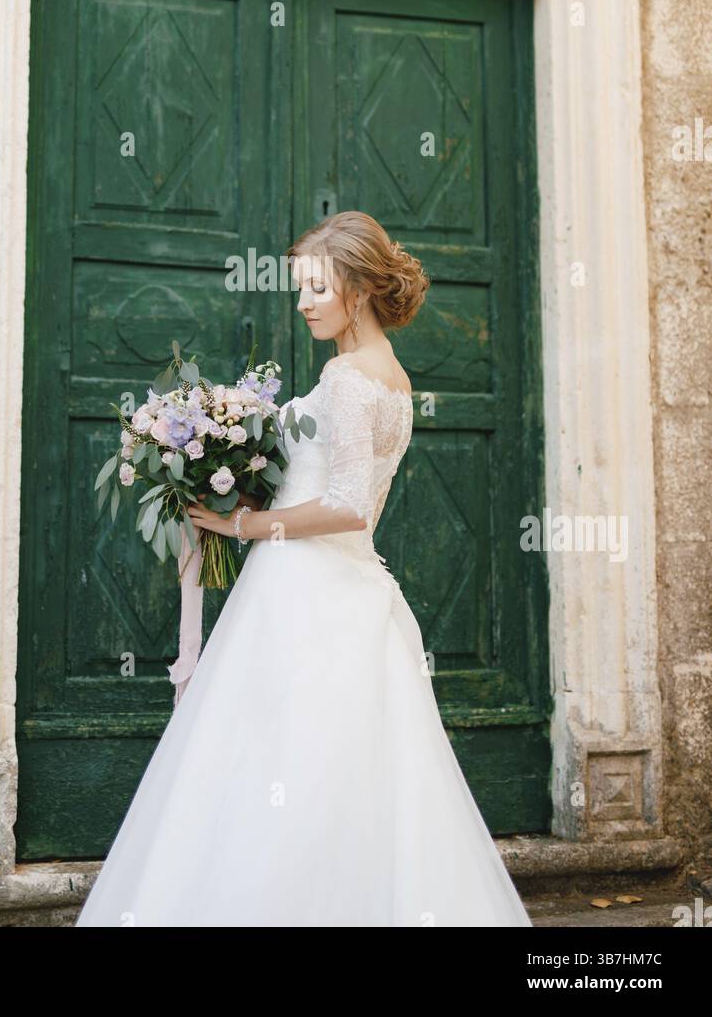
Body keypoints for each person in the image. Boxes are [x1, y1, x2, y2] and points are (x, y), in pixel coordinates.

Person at [76, 211, 533, 927]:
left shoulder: (348, 377)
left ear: (356, 286)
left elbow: (351, 504)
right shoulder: (396, 378)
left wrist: (243, 523)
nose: (303, 303)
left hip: (304, 591)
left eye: (317, 288)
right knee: (342, 777)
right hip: (351, 591)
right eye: (301, 288)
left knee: (273, 765)